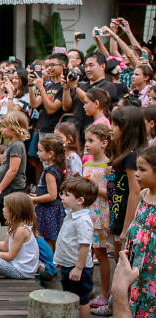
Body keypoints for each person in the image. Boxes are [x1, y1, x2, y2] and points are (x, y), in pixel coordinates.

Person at [54, 177, 99, 318]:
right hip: (68, 264)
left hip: (78, 268)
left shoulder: (83, 221)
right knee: (69, 296)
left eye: (67, 195)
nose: (62, 197)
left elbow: (85, 246)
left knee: (81, 299)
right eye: (62, 193)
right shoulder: (71, 214)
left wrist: (79, 268)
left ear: (80, 200)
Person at [0, 111, 29, 238]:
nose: (1, 130)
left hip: (13, 189)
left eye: (4, 127)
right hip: (8, 188)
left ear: (14, 129)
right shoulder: (12, 145)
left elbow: (13, 170)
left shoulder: (17, 146)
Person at [121, 145, 156, 318]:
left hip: (152, 268)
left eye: (142, 170)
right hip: (137, 262)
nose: (136, 173)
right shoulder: (143, 195)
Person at [82, 123, 113, 313]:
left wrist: (93, 188)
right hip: (87, 213)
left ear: (104, 143)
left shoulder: (109, 166)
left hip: (101, 216)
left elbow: (111, 193)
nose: (86, 144)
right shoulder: (86, 163)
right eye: (86, 140)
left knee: (101, 255)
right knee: (87, 252)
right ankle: (89, 288)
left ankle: (105, 293)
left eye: (91, 141)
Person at [108, 106, 146, 259]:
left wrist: (126, 228)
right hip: (118, 211)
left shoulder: (132, 156)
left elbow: (135, 192)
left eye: (116, 125)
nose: (111, 128)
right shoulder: (123, 152)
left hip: (125, 216)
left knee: (122, 260)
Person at [32, 135, 66, 251]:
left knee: (48, 240)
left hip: (48, 210)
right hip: (54, 209)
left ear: (50, 154)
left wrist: (33, 200)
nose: (37, 153)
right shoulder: (57, 168)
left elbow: (52, 195)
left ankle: (50, 264)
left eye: (40, 151)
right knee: (53, 239)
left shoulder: (49, 172)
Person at [31, 54, 66, 138]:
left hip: (55, 131)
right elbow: (34, 104)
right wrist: (30, 85)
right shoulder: (48, 85)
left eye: (53, 65)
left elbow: (51, 109)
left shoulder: (65, 86)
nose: (49, 68)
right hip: (43, 128)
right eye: (48, 66)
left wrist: (41, 87)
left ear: (63, 66)